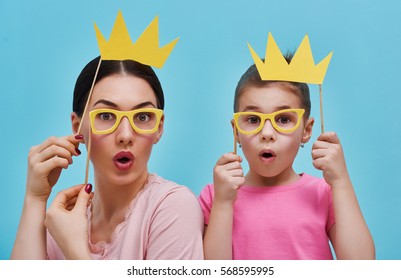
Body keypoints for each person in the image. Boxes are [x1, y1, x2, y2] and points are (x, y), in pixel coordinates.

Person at [11, 57, 204, 260]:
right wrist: (35, 199)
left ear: (159, 127)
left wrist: (75, 251)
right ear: (77, 127)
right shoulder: (62, 220)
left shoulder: (173, 207)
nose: (126, 136)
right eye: (106, 116)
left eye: (142, 117)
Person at [199, 54, 375, 260]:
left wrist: (341, 180)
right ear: (236, 131)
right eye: (253, 119)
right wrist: (223, 203)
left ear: (307, 130)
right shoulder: (216, 196)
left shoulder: (324, 193)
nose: (267, 133)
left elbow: (362, 265)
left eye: (283, 119)